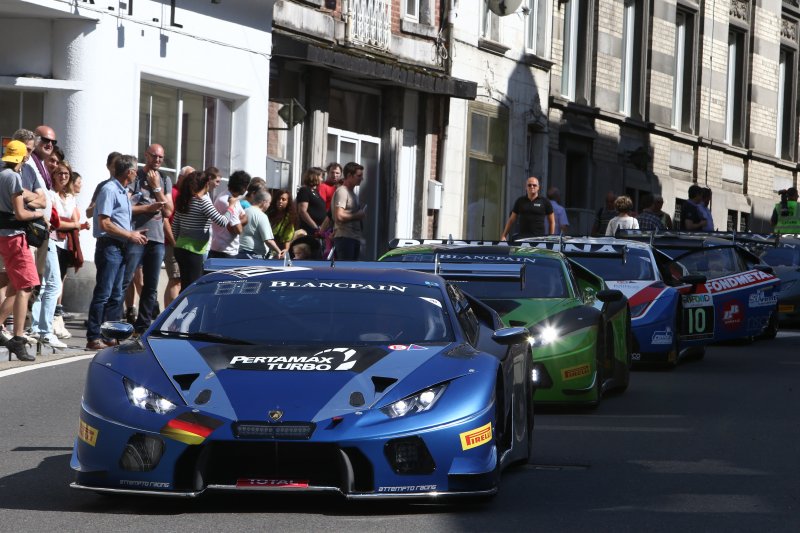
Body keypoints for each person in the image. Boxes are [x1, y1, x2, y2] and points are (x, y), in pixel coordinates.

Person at [86, 155, 148, 351]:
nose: (136, 174)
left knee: (116, 294)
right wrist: (130, 234)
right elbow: (104, 223)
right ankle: (93, 336)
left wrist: (132, 234)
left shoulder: (122, 191)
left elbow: (119, 220)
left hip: (120, 247)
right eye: (135, 170)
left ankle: (110, 335)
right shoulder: (110, 189)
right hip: (109, 246)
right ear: (129, 172)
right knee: (104, 294)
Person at [0, 141, 48, 361]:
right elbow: (20, 213)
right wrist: (38, 215)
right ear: (23, 158)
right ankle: (18, 340)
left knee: (14, 284)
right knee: (27, 285)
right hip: (14, 237)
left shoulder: (2, 174)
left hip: (4, 236)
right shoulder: (13, 177)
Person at [121, 144, 173, 334]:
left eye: (160, 157)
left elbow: (168, 211)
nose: (157, 160)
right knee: (125, 280)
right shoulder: (135, 177)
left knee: (151, 286)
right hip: (136, 235)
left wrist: (156, 187)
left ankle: (142, 327)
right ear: (146, 156)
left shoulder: (165, 179)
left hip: (157, 239)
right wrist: (147, 208)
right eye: (154, 156)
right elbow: (125, 207)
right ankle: (114, 321)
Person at [173, 171, 241, 290]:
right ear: (206, 184)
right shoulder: (203, 201)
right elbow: (222, 222)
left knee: (185, 286)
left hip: (180, 248)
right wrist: (231, 206)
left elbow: (175, 226)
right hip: (194, 250)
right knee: (193, 288)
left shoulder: (185, 199)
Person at [163, 165, 193, 308]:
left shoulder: (184, 194)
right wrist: (174, 242)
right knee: (175, 279)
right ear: (180, 178)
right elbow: (165, 221)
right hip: (172, 244)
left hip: (180, 244)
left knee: (177, 280)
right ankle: (170, 314)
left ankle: (169, 313)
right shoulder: (174, 194)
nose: (192, 182)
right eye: (189, 178)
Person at [209, 170, 249, 258]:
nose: (247, 190)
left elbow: (245, 217)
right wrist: (238, 223)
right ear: (243, 187)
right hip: (224, 252)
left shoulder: (233, 198)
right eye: (247, 186)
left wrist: (238, 222)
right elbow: (239, 230)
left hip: (228, 249)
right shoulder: (227, 201)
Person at [500, 176, 554, 240]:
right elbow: (511, 220)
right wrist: (504, 235)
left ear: (538, 187)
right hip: (522, 239)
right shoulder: (520, 201)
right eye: (529, 185)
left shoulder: (545, 202)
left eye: (534, 185)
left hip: (539, 239)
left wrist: (550, 238)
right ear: (526, 187)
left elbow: (552, 222)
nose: (532, 187)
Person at [332, 162, 367, 259]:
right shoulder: (342, 191)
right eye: (358, 176)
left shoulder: (353, 194)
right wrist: (357, 215)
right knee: (346, 267)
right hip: (345, 238)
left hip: (353, 238)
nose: (361, 178)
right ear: (349, 176)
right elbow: (339, 216)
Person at [238, 188, 283, 259]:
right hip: (253, 255)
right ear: (264, 202)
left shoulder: (243, 211)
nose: (269, 205)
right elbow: (268, 240)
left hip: (239, 252)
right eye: (269, 203)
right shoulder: (261, 216)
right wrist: (279, 252)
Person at [296, 167, 328, 236]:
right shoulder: (304, 190)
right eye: (321, 177)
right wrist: (315, 227)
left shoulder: (315, 191)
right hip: (309, 230)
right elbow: (302, 211)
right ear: (314, 177)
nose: (322, 179)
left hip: (319, 230)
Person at [267, 188, 299, 256]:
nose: (280, 201)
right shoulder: (268, 212)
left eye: (283, 199)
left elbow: (288, 237)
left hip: (278, 248)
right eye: (278, 199)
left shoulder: (289, 217)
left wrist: (286, 249)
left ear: (288, 202)